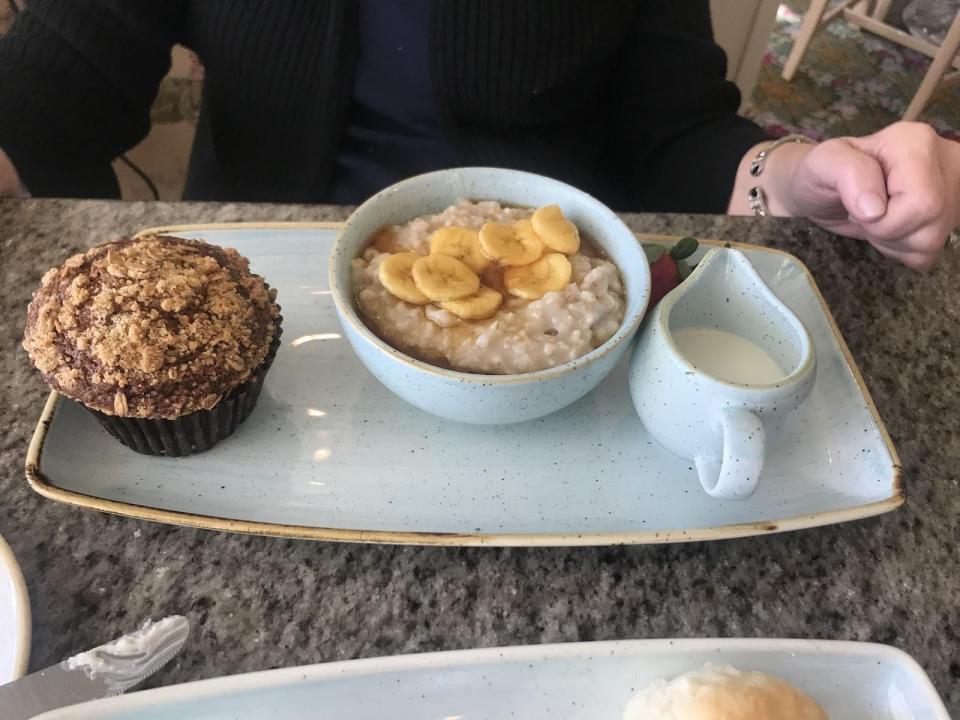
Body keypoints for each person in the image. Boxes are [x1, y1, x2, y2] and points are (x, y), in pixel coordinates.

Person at [0, 0, 956, 269]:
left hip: (550, 309)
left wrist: (795, 177)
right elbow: (63, 73)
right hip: (265, 291)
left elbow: (677, 133)